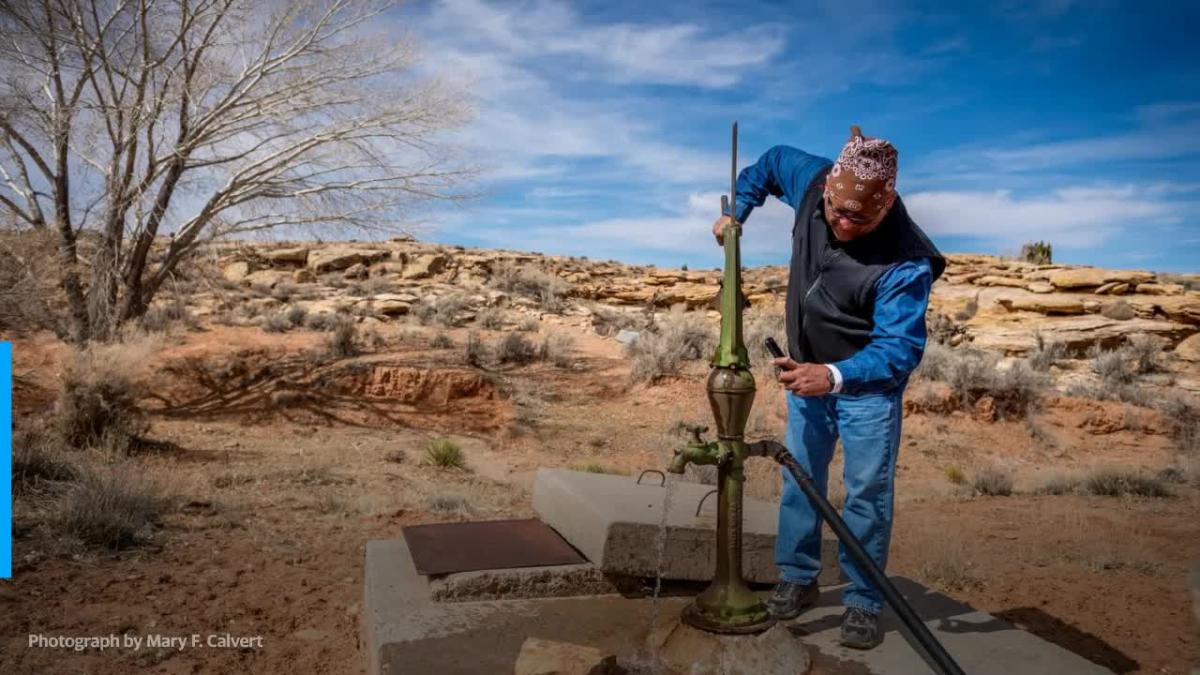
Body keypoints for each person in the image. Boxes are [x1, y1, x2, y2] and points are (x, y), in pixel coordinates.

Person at [710, 125, 945, 649]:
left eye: (856, 217)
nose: (839, 221)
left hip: (867, 390)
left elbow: (900, 349)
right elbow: (770, 161)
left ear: (885, 207)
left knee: (865, 492)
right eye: (834, 209)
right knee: (801, 479)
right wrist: (737, 212)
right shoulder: (816, 182)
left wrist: (834, 376)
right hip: (807, 374)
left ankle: (863, 600)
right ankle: (797, 578)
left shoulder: (906, 261)